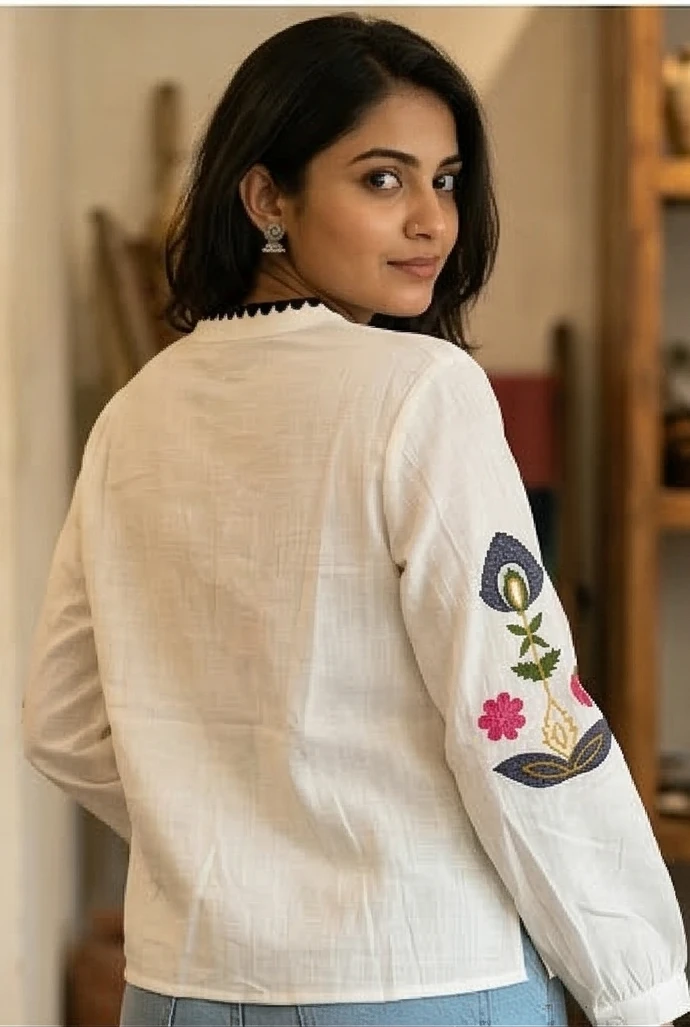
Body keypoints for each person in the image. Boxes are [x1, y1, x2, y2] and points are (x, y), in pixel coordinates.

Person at [22, 13, 688, 1027]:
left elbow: (64, 723)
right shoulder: (424, 393)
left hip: (181, 990)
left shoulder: (137, 412)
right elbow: (518, 718)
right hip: (422, 976)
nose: (431, 219)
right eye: (383, 179)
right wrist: (644, 987)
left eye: (446, 179)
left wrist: (233, 836)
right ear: (267, 198)